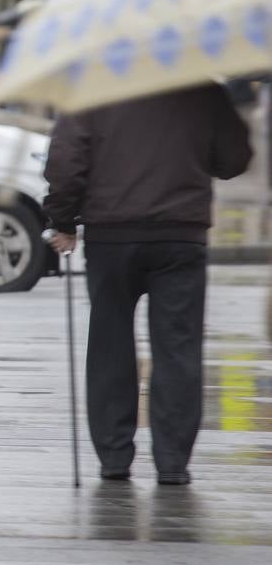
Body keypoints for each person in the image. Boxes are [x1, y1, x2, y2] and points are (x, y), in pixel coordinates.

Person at [42, 84, 252, 485]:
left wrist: (62, 219)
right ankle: (173, 461)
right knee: (177, 348)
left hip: (110, 234)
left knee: (109, 343)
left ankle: (114, 456)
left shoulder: (94, 86)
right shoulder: (200, 86)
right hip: (181, 234)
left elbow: (67, 157)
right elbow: (233, 160)